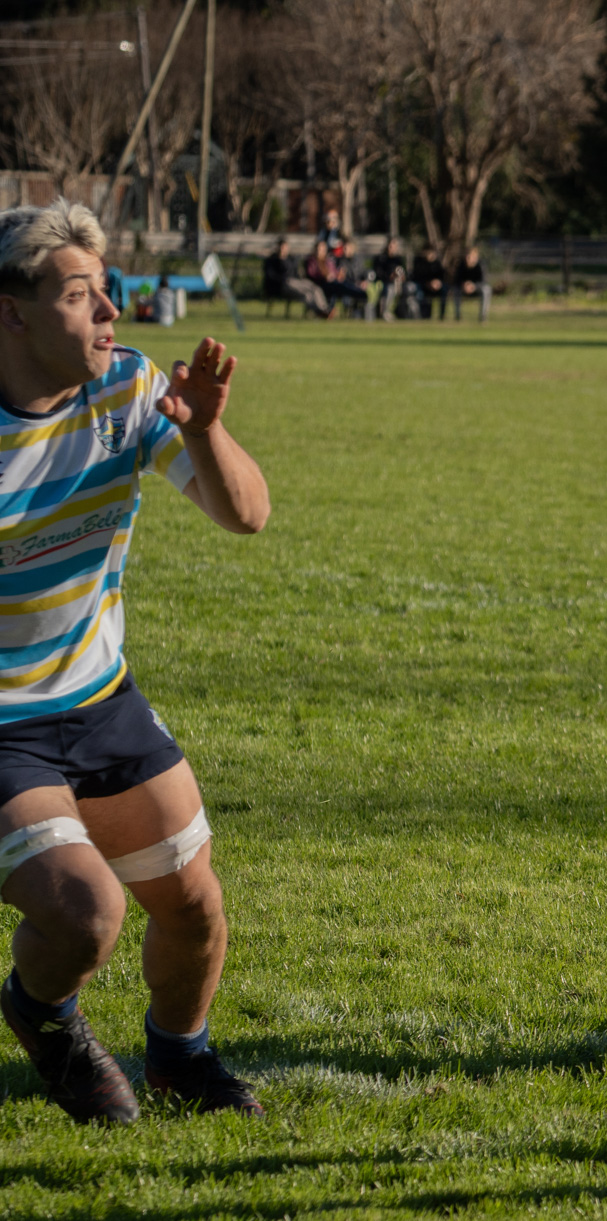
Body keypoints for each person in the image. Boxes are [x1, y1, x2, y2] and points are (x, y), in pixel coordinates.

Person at [0, 199, 270, 1124]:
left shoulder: (127, 388)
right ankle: (43, 1013)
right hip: (2, 727)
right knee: (86, 912)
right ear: (14, 312)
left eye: (107, 292)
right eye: (82, 296)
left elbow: (248, 513)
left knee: (193, 904)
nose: (110, 314)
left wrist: (200, 428)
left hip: (98, 696)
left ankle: (180, 1058)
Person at [261, 238, 327, 317]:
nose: (283, 250)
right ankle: (319, 312)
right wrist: (283, 279)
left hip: (296, 282)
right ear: (277, 248)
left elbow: (296, 274)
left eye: (285, 247)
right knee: (307, 295)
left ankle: (325, 309)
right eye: (281, 247)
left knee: (316, 288)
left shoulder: (290, 259)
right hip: (282, 285)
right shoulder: (271, 260)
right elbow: (271, 276)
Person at [304, 239, 365, 320]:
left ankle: (360, 293)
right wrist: (325, 276)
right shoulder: (311, 261)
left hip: (333, 283)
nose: (320, 251)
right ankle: (361, 294)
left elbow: (335, 272)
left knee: (341, 284)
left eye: (322, 249)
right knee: (339, 286)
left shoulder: (328, 261)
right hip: (321, 284)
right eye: (319, 249)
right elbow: (311, 273)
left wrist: (338, 274)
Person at [371, 237, 408, 322]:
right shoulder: (381, 258)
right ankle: (385, 312)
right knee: (390, 289)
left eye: (394, 246)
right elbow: (377, 273)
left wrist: (401, 277)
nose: (391, 248)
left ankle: (401, 313)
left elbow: (404, 273)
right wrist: (389, 276)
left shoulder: (398, 259)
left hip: (398, 283)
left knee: (407, 289)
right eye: (390, 245)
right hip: (383, 282)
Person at [410, 245, 448, 320]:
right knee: (419, 293)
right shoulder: (419, 262)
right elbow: (417, 276)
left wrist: (437, 283)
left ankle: (442, 316)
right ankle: (420, 315)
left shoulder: (437, 264)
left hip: (435, 286)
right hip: (423, 286)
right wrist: (427, 283)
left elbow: (442, 276)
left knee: (444, 290)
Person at [453, 246, 490, 322]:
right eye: (467, 256)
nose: (468, 258)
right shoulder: (461, 265)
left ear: (476, 257)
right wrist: (464, 285)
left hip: (477, 288)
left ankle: (483, 317)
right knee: (456, 290)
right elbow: (457, 280)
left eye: (470, 256)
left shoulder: (481, 265)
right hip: (464, 288)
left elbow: (484, 281)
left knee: (486, 290)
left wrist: (474, 286)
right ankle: (458, 316)